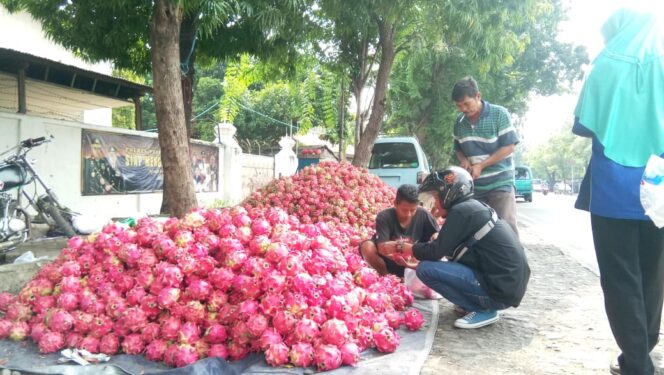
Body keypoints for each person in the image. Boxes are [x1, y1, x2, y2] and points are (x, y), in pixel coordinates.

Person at [572, 7, 664, 375]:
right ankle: (641, 354)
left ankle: (637, 363)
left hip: (614, 191)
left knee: (621, 277)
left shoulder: (606, 64)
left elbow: (584, 125)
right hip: (658, 189)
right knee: (653, 275)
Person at [378, 167, 530, 329]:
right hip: (506, 285)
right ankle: (478, 304)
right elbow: (447, 251)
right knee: (425, 266)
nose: (435, 202)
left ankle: (482, 308)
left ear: (449, 194)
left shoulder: (461, 211)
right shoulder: (470, 208)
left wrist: (401, 246)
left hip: (499, 290)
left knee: (426, 269)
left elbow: (435, 251)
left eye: (437, 197)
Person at [451, 77, 520, 237]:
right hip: (475, 187)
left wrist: (481, 165)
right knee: (478, 232)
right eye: (459, 106)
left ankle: (515, 262)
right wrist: (464, 160)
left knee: (506, 230)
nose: (464, 109)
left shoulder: (499, 114)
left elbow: (509, 146)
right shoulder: (459, 123)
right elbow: (458, 148)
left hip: (500, 184)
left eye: (467, 104)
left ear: (478, 96)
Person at [359, 184, 439, 278]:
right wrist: (403, 257)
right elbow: (382, 248)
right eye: (404, 210)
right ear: (395, 204)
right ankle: (388, 278)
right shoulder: (384, 216)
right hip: (390, 262)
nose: (409, 214)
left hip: (414, 263)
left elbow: (437, 236)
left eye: (413, 210)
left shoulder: (423, 214)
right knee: (367, 247)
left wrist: (435, 237)